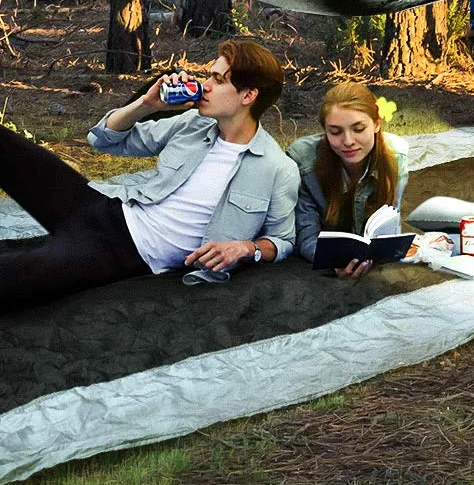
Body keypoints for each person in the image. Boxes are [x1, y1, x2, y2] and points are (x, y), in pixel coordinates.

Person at [0, 39, 298, 312]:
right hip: (101, 206)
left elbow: (282, 240)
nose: (205, 85)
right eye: (209, 75)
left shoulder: (276, 168)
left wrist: (247, 248)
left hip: (120, 251)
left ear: (248, 95)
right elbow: (104, 140)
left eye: (218, 80)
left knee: (13, 277)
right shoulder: (193, 123)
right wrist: (147, 104)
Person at [287, 80, 409, 278]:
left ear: (377, 124)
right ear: (324, 131)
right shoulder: (303, 162)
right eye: (335, 132)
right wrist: (334, 262)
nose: (348, 141)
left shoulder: (396, 156)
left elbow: (390, 223)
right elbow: (306, 236)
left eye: (359, 129)